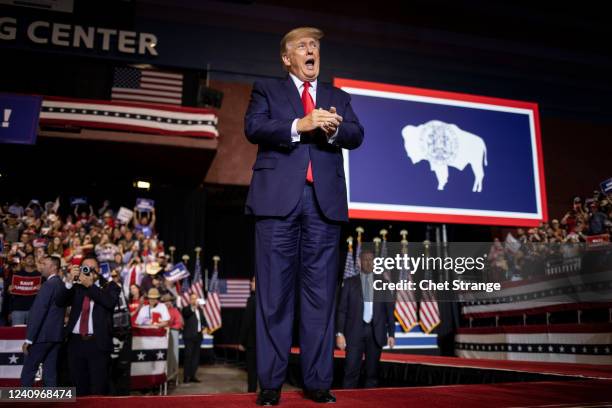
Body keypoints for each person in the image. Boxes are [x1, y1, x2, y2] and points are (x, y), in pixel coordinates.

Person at [244, 26, 364, 405]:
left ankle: (317, 382)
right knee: (274, 298)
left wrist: (333, 128)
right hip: (276, 205)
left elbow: (357, 134)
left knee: (320, 299)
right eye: (302, 46)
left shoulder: (337, 97)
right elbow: (254, 127)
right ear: (287, 58)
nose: (311, 50)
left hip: (323, 209)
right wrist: (301, 125)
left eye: (315, 45)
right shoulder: (267, 90)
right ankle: (270, 385)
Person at [56, 254, 120, 396]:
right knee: (78, 387)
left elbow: (109, 302)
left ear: (99, 269)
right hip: (75, 343)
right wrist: (69, 282)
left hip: (98, 343)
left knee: (98, 388)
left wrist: (90, 285)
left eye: (92, 268)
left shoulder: (110, 286)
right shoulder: (77, 287)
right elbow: (60, 301)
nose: (89, 271)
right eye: (86, 268)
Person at [336, 250, 395, 389]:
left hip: (376, 333)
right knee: (350, 372)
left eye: (371, 260)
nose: (368, 263)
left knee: (372, 374)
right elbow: (342, 310)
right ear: (359, 262)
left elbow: (389, 311)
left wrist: (391, 334)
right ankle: (348, 402)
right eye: (365, 260)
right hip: (354, 332)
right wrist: (339, 333)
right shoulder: (349, 283)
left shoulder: (383, 283)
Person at [20, 256, 65, 386]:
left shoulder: (48, 285)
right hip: (55, 336)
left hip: (42, 336)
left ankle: (23, 402)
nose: (41, 266)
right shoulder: (60, 284)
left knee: (29, 370)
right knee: (50, 372)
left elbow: (38, 312)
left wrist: (29, 339)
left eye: (45, 264)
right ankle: (52, 403)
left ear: (53, 267)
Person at [9, 253, 42, 325]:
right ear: (24, 260)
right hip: (17, 309)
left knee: (32, 334)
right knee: (17, 334)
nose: (30, 260)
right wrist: (9, 290)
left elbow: (44, 294)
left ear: (34, 261)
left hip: (33, 309)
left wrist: (41, 289)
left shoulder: (39, 275)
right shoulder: (16, 274)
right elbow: (9, 293)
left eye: (32, 258)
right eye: (28, 258)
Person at [181, 293, 206, 383]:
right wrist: (193, 308)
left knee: (196, 357)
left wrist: (204, 327)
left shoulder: (200, 310)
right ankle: (186, 377)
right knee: (188, 356)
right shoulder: (186, 309)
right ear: (189, 300)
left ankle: (193, 375)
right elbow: (186, 314)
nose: (194, 300)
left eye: (195, 299)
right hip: (189, 336)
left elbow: (203, 321)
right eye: (192, 299)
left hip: (198, 336)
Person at [239, 276, 257, 392]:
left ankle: (251, 393)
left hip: (253, 342)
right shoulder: (269, 299)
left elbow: (247, 322)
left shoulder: (252, 300)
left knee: (252, 369)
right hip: (265, 342)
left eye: (254, 281)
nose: (251, 283)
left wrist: (241, 341)